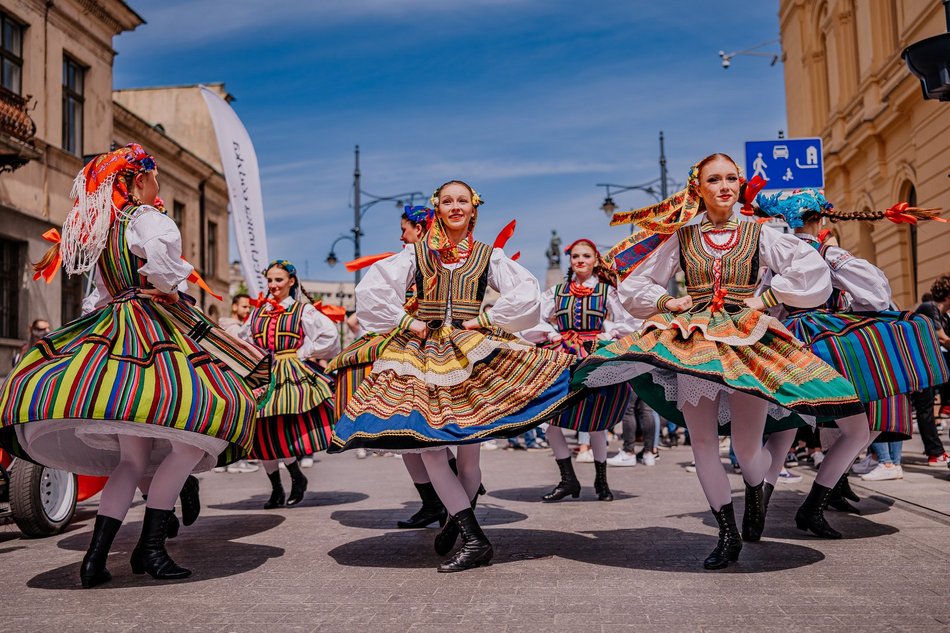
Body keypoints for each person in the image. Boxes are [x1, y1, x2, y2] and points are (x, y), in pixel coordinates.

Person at [573, 154, 865, 570]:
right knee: (705, 441)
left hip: (748, 338)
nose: (725, 185)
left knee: (747, 450)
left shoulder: (759, 233)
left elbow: (809, 269)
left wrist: (766, 297)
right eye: (715, 179)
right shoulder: (683, 237)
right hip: (694, 340)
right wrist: (667, 300)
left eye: (732, 178)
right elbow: (636, 281)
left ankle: (756, 491)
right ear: (699, 188)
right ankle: (727, 533)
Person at [0, 144, 267, 588]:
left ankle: (95, 557)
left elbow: (96, 298)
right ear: (139, 180)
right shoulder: (149, 220)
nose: (158, 184)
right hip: (152, 330)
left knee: (131, 459)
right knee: (192, 437)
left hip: (114, 331)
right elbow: (165, 272)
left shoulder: (105, 231)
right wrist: (164, 286)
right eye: (155, 176)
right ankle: (151, 547)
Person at [330, 180, 572, 572]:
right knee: (429, 447)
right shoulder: (417, 254)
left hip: (469, 351)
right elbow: (373, 290)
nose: (455, 206)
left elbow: (527, 293)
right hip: (423, 353)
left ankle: (455, 523)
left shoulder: (486, 256)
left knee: (469, 448)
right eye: (447, 201)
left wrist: (487, 318)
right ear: (437, 209)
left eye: (462, 201)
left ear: (473, 209)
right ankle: (473, 535)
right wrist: (407, 320)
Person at [753, 190, 948, 520]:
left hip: (787, 343)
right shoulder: (828, 253)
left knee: (784, 431)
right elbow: (876, 294)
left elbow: (765, 304)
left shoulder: (776, 262)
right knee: (872, 412)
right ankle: (819, 501)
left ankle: (755, 516)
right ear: (820, 219)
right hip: (825, 341)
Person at [327, 206, 465, 530]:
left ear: (420, 229)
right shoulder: (417, 261)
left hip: (428, 351)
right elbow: (373, 300)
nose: (401, 235)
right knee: (407, 433)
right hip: (420, 348)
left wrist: (408, 321)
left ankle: (455, 503)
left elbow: (369, 297)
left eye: (405, 229)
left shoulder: (423, 260)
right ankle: (435, 503)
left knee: (426, 433)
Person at [521, 238, 635, 502]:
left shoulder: (607, 292)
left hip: (595, 358)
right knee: (550, 419)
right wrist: (550, 335)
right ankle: (568, 478)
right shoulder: (556, 292)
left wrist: (609, 335)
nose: (580, 260)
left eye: (586, 256)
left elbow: (628, 320)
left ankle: (601, 481)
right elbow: (531, 316)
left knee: (596, 422)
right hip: (563, 358)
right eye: (575, 256)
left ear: (596, 260)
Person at [241, 260, 340, 509]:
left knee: (281, 430)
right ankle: (278, 487)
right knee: (261, 434)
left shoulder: (302, 310)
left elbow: (329, 334)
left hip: (289, 373)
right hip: (262, 374)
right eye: (270, 280)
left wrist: (303, 351)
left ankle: (296, 477)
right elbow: (243, 340)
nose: (273, 285)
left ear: (291, 281)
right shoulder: (257, 312)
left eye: (279, 280)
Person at [215, 293, 259, 474]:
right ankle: (234, 461)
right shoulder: (234, 329)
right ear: (234, 307)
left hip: (226, 378)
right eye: (244, 306)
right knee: (238, 418)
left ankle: (225, 462)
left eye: (249, 307)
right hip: (236, 378)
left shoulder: (227, 326)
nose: (247, 310)